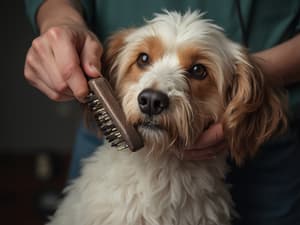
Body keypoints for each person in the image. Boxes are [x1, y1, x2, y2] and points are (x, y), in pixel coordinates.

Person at [24, 0, 300, 224]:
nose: (153, 94)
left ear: (235, 96)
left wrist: (252, 86)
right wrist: (62, 21)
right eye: (143, 59)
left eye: (197, 71)